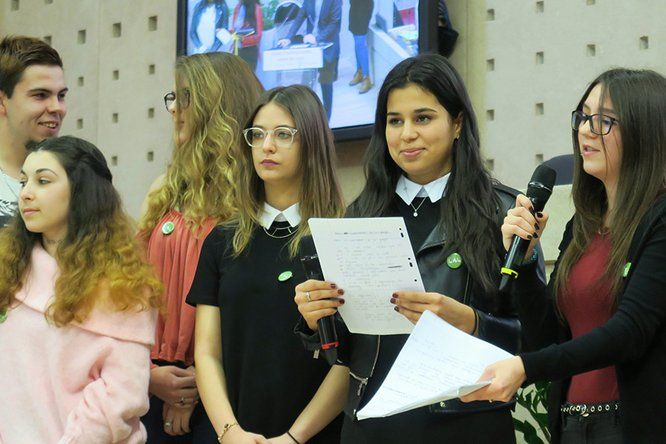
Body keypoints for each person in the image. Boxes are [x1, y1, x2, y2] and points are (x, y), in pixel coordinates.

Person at [294, 53, 539, 443]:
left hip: (466, 426)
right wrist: (316, 319)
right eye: (395, 121)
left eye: (422, 118)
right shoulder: (358, 217)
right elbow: (342, 351)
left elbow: (539, 339)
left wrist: (472, 322)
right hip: (371, 424)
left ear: (457, 123)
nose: (406, 134)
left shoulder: (504, 213)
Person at [462, 69, 666, 443]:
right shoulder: (584, 224)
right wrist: (523, 262)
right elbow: (547, 338)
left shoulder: (660, 218)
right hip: (571, 425)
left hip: (635, 425)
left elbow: (630, 332)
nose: (585, 130)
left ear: (645, 132)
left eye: (604, 120)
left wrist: (525, 368)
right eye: (584, 117)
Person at [186, 85, 346, 443]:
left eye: (283, 135)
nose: (267, 146)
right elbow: (207, 353)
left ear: (313, 143)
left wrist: (293, 438)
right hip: (234, 433)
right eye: (257, 135)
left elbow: (352, 361)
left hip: (315, 434)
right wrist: (229, 432)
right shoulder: (221, 240)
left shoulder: (340, 236)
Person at [0, 136, 161, 443]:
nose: (27, 194)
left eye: (43, 181)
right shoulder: (9, 270)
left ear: (81, 191)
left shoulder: (123, 286)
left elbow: (120, 395)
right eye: (24, 182)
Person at [139, 52, 263, 442]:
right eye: (172, 97)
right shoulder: (163, 189)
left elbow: (252, 303)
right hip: (151, 384)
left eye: (185, 97)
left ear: (217, 104)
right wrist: (150, 374)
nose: (174, 109)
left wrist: (195, 384)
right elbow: (133, 290)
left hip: (226, 391)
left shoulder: (253, 194)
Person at [0, 35, 67, 227]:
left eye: (61, 95)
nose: (57, 108)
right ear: (2, 102)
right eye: (40, 95)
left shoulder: (77, 178)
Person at [277, 0, 342, 120]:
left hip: (328, 49)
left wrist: (317, 38)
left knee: (326, 86)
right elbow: (300, 17)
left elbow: (335, 22)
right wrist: (288, 38)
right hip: (311, 50)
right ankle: (305, 119)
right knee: (306, 85)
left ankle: (327, 121)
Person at [348, 0, 374, 94]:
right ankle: (360, 72)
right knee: (356, 41)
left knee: (360, 42)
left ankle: (367, 79)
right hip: (354, 7)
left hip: (363, 8)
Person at [230, 0, 263, 71]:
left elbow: (258, 36)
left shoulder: (256, 8)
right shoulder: (238, 7)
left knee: (248, 79)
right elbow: (234, 29)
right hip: (237, 49)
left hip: (250, 51)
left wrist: (244, 39)